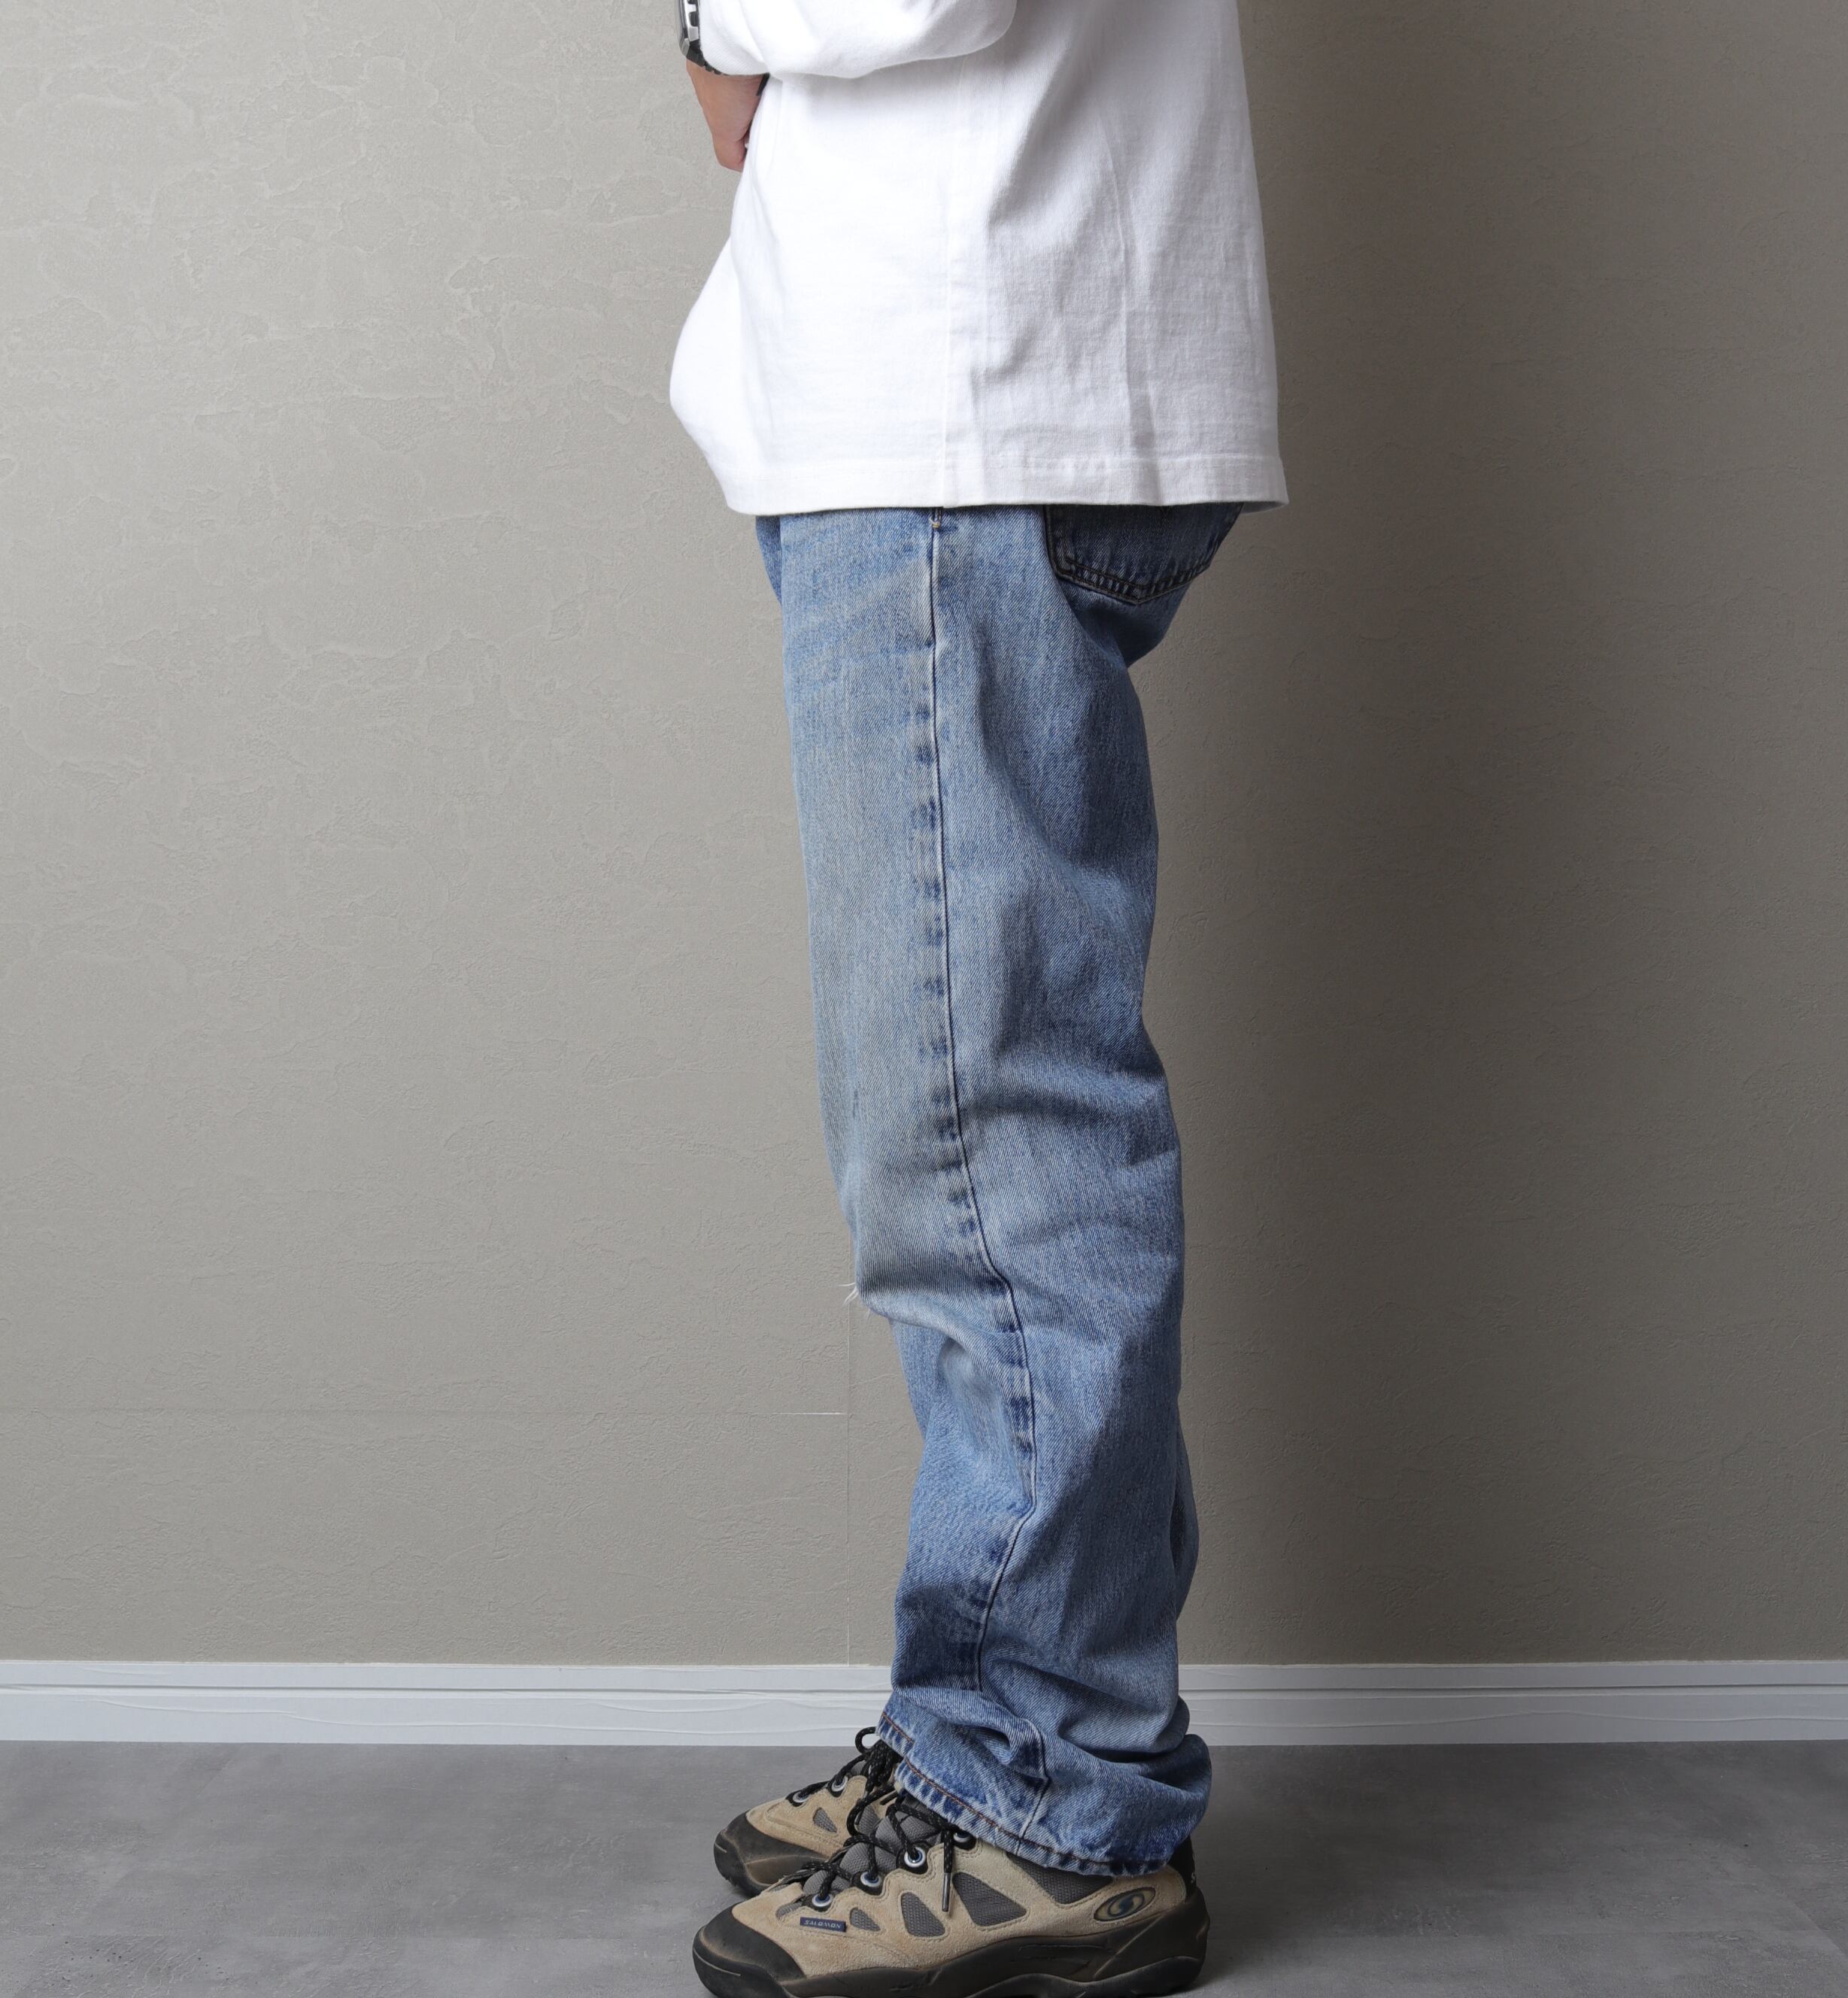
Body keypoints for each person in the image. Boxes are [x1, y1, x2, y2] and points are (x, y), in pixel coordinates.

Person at [667, 4, 1285, 1991]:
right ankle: (999, 1738)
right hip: (982, 371)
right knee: (980, 1118)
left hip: (963, 391)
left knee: (982, 1135)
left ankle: (1046, 1795)